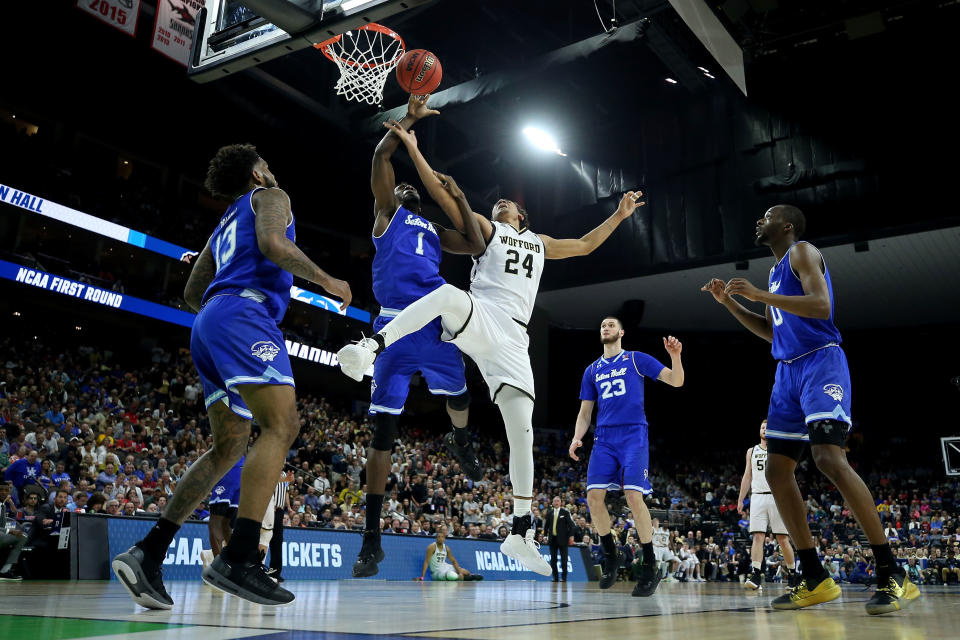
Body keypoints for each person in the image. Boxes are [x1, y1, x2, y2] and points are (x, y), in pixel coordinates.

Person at [338, 120, 645, 576]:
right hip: (479, 315)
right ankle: (371, 346)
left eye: (511, 204)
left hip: (514, 338)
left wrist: (619, 217)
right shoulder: (485, 229)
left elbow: (583, 245)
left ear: (523, 217)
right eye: (498, 201)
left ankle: (521, 532)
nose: (503, 203)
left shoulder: (539, 244)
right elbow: (442, 194)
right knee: (444, 294)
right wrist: (416, 151)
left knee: (521, 430)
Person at [112, 143, 351, 609]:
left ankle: (149, 552)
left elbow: (190, 292)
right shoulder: (272, 195)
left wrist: (221, 316)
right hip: (244, 314)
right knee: (283, 426)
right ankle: (239, 556)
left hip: (208, 323)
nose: (271, 168)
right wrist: (326, 279)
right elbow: (273, 245)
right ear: (258, 173)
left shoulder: (224, 221)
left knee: (229, 447)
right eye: (267, 163)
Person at [701, 204, 920, 614]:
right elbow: (771, 332)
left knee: (828, 459)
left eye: (765, 215)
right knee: (777, 469)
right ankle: (814, 575)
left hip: (821, 362)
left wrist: (759, 294)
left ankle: (893, 571)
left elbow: (820, 305)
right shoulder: (772, 273)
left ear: (785, 226)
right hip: (787, 372)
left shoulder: (802, 252)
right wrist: (729, 303)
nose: (757, 219)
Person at [352, 95, 486, 579]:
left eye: (413, 186)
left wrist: (464, 201)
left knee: (461, 392)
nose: (406, 185)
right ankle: (372, 538)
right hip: (392, 324)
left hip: (432, 325)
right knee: (382, 432)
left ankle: (462, 439)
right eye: (402, 185)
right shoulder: (386, 215)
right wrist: (409, 120)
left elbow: (474, 243)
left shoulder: (431, 227)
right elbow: (381, 157)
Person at [569, 317, 683, 597]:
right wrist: (576, 437)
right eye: (602, 326)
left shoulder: (635, 359)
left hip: (633, 435)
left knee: (634, 496)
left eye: (610, 325)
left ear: (621, 332)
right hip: (604, 438)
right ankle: (610, 554)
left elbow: (676, 381)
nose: (604, 328)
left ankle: (650, 564)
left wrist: (675, 357)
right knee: (593, 497)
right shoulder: (591, 370)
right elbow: (585, 412)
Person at [737, 419, 798, 591]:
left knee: (782, 539)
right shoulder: (751, 451)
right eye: (762, 427)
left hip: (777, 497)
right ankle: (756, 574)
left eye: (767, 427)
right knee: (757, 537)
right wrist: (741, 499)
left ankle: (793, 574)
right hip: (757, 497)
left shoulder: (779, 450)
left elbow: (789, 475)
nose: (764, 429)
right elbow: (747, 475)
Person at [200, 456, 244, 567]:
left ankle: (219, 567)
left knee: (215, 523)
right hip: (242, 472)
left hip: (228, 469)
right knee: (227, 525)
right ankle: (233, 565)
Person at [418, 529, 482, 581]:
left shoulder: (446, 548)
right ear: (436, 538)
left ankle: (471, 576)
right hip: (436, 572)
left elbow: (453, 561)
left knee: (465, 572)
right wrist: (422, 577)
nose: (440, 538)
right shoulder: (432, 547)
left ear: (444, 539)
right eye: (438, 537)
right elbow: (426, 562)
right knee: (451, 575)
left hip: (445, 567)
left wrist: (459, 572)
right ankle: (469, 578)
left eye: (442, 537)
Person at [544, 496, 573, 582]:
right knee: (553, 560)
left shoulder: (565, 512)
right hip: (552, 539)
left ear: (560, 503)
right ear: (552, 503)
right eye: (555, 501)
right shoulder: (550, 513)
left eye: (558, 501)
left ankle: (564, 577)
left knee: (564, 560)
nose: (556, 502)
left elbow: (571, 526)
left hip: (563, 540)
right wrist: (545, 535)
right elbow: (546, 526)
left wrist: (570, 536)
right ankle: (555, 577)